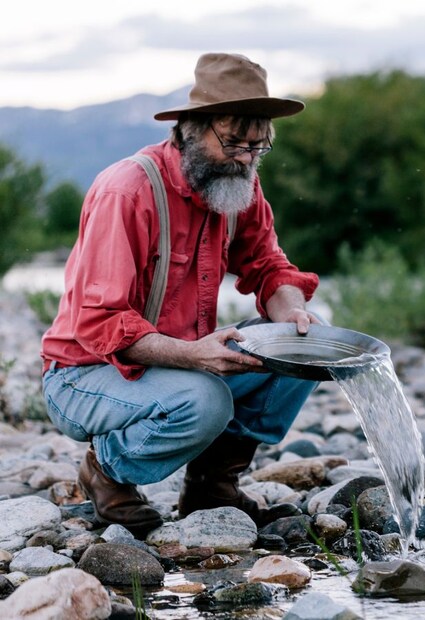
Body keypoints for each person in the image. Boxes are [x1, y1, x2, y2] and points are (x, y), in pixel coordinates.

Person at [40, 52, 321, 536]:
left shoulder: (239, 188)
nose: (245, 159)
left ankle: (212, 484)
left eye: (258, 147)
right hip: (83, 373)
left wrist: (294, 313)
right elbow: (99, 322)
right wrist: (194, 356)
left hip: (173, 363)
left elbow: (270, 268)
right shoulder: (127, 192)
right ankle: (107, 471)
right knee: (206, 399)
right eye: (233, 142)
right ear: (191, 129)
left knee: (304, 350)